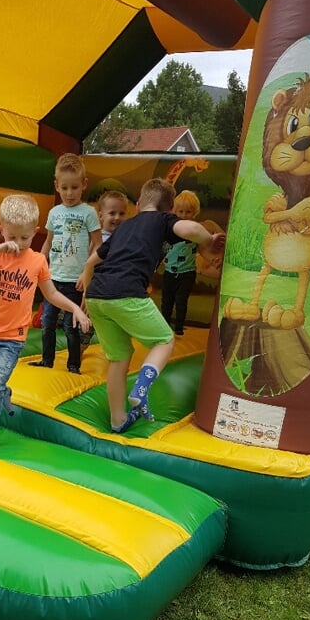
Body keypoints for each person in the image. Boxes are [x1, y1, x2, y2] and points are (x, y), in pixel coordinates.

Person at [80, 179, 223, 433]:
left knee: (119, 357)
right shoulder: (162, 220)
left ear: (137, 205)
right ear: (168, 209)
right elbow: (190, 229)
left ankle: (117, 420)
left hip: (97, 295)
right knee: (165, 340)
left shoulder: (123, 228)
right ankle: (142, 387)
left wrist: (87, 297)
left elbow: (91, 261)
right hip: (126, 290)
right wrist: (209, 239)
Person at [0, 194, 91, 453]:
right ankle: (0, 393)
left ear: (35, 233)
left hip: (12, 339)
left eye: (24, 238)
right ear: (1, 230)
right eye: (12, 237)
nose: (17, 244)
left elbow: (51, 294)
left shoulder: (37, 261)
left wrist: (75, 307)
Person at [29, 153, 100, 373]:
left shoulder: (88, 213)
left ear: (84, 185)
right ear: (57, 186)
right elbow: (48, 242)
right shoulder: (54, 212)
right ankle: (47, 360)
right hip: (53, 278)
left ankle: (73, 365)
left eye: (75, 187)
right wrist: (39, 267)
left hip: (75, 281)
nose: (69, 193)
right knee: (47, 323)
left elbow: (98, 244)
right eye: (65, 188)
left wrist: (86, 273)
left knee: (71, 327)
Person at [159, 190, 202, 335]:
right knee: (167, 301)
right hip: (170, 272)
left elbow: (204, 246)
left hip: (187, 273)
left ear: (194, 212)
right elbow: (162, 247)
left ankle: (178, 328)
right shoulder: (171, 230)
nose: (184, 215)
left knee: (181, 301)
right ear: (174, 211)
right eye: (181, 211)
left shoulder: (195, 231)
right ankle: (164, 327)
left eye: (188, 212)